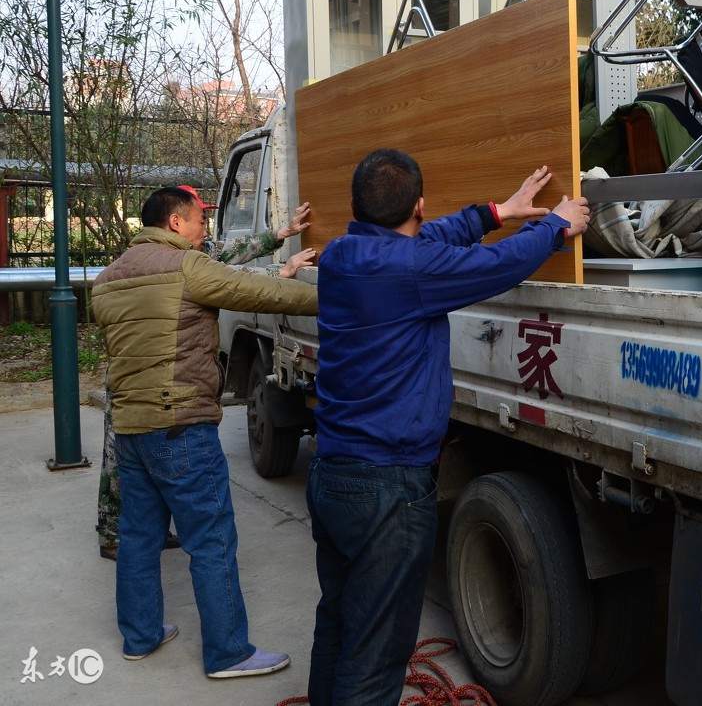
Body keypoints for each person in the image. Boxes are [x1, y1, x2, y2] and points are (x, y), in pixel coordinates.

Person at [306, 150, 590, 706]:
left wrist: (496, 211)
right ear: (417, 203)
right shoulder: (412, 270)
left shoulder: (342, 254)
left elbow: (427, 237)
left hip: (333, 474)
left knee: (338, 624)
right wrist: (558, 224)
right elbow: (497, 267)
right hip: (387, 490)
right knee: (376, 655)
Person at [93, 186, 320, 678]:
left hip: (131, 430)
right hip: (180, 427)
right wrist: (336, 298)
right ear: (175, 222)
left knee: (137, 538)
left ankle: (140, 635)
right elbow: (263, 292)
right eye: (199, 220)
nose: (204, 230)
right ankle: (227, 652)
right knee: (211, 539)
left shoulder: (107, 280)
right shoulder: (187, 268)